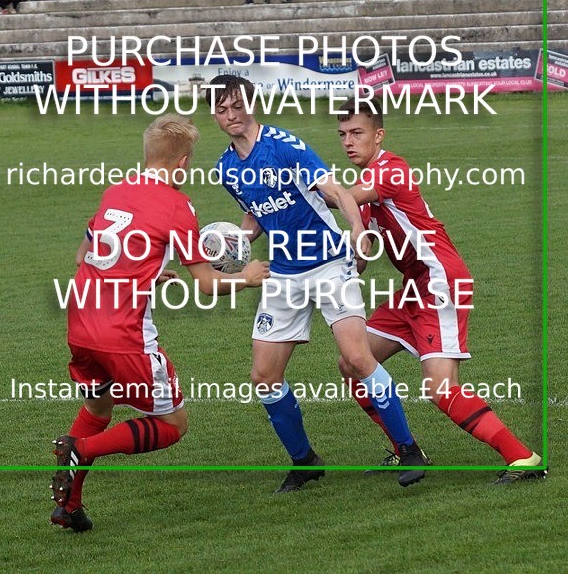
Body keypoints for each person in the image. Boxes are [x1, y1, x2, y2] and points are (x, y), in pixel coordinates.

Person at [205, 75, 429, 493]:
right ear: (214, 114)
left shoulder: (284, 145)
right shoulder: (226, 168)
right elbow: (257, 215)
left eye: (237, 105)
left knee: (358, 360)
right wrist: (233, 245)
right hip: (283, 273)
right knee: (264, 376)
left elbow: (339, 193)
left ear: (251, 104)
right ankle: (304, 460)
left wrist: (359, 235)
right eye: (222, 109)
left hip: (329, 263)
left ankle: (408, 448)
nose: (231, 115)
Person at [50, 114, 270, 532]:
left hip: (80, 321)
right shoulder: (177, 206)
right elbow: (206, 285)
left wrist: (147, 271)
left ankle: (69, 505)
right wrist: (248, 277)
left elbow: (84, 256)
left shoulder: (115, 191)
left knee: (98, 406)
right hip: (123, 333)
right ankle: (80, 448)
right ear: (183, 162)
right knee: (173, 425)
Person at [333, 97, 546, 485]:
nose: (348, 141)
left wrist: (303, 191)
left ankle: (523, 457)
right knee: (353, 362)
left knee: (439, 387)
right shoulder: (362, 197)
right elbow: (361, 254)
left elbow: (350, 196)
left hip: (440, 282)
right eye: (343, 134)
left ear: (379, 136)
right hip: (413, 288)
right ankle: (406, 450)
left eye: (357, 133)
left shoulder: (391, 170)